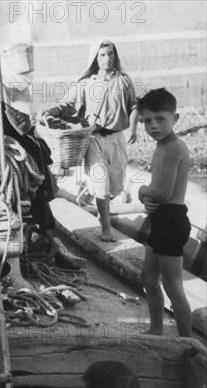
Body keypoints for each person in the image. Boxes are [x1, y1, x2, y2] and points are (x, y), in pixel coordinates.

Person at [39, 39, 139, 242]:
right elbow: (66, 104)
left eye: (110, 54)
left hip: (117, 138)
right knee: (101, 183)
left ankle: (104, 210)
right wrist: (49, 111)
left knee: (115, 185)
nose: (107, 58)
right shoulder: (87, 83)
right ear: (95, 57)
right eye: (102, 54)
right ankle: (106, 226)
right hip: (93, 139)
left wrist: (133, 128)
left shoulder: (124, 81)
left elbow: (134, 105)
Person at [137, 88, 192, 337]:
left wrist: (141, 191)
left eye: (160, 118)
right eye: (147, 120)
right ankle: (156, 328)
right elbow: (158, 192)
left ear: (175, 119)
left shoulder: (173, 148)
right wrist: (149, 199)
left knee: (173, 286)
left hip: (172, 222)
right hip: (160, 221)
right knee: (148, 279)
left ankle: (186, 341)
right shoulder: (161, 145)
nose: (153, 125)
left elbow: (163, 191)